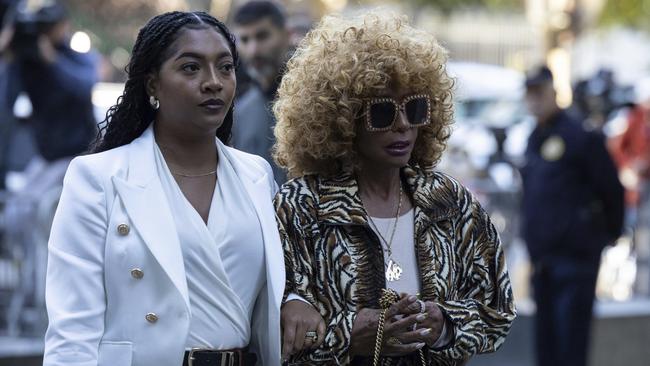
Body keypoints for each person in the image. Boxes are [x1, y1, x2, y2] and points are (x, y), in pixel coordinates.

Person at [42, 11, 321, 366]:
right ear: (152, 84)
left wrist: (298, 298)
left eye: (225, 67)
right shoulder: (97, 178)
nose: (213, 82)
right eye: (191, 68)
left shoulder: (256, 175)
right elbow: (71, 334)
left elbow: (281, 282)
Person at [273, 11, 516, 365]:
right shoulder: (301, 206)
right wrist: (352, 336)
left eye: (415, 108)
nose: (402, 125)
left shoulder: (449, 202)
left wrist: (444, 324)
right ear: (343, 119)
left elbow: (497, 312)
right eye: (382, 113)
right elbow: (277, 328)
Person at [520, 66, 625, 366]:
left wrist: (606, 236)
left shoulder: (580, 136)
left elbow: (611, 189)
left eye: (539, 93)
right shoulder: (533, 138)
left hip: (575, 261)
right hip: (543, 262)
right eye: (529, 94)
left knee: (571, 348)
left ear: (554, 92)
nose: (534, 101)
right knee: (546, 348)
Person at [231, 0, 292, 183]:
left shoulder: (319, 97)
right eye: (245, 39)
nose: (254, 50)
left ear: (286, 35)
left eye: (262, 36)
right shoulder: (239, 112)